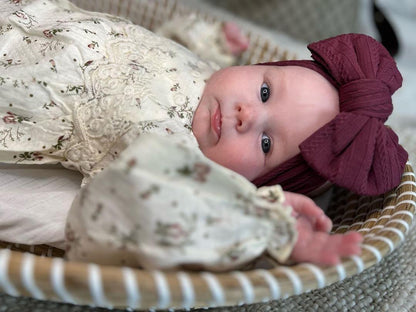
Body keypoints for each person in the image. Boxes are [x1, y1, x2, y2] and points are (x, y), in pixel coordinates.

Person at [1, 0, 405, 270]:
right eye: (264, 91)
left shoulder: (173, 153)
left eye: (266, 144)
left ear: (244, 182)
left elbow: (168, 207)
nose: (248, 114)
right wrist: (211, 41)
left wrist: (264, 223)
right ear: (265, 65)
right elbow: (166, 41)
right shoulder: (212, 74)